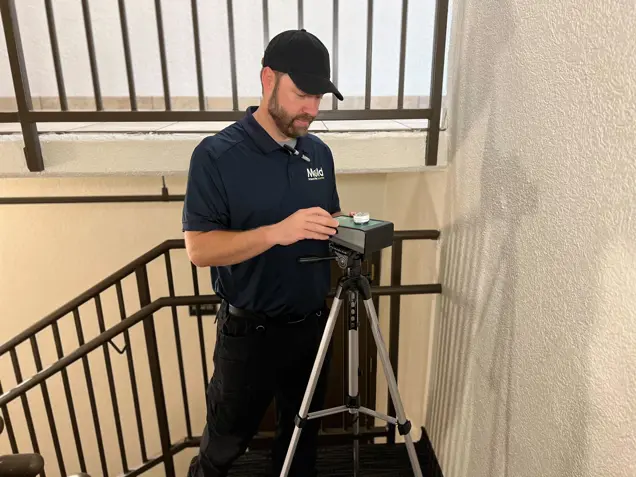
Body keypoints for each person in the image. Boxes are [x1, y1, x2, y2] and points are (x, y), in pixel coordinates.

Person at [183, 29, 344, 477]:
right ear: (267, 78)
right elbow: (199, 249)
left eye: (319, 97)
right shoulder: (217, 155)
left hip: (312, 327)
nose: (312, 109)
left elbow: (325, 217)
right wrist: (278, 232)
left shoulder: (319, 153)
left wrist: (343, 225)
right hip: (249, 334)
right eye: (302, 94)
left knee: (300, 445)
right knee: (222, 448)